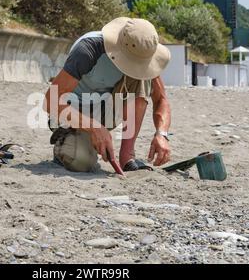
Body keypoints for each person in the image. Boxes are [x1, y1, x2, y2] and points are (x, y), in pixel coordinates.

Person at [44, 17, 172, 173]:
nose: (137, 65)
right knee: (81, 162)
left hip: (105, 111)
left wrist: (162, 134)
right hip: (69, 113)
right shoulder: (89, 49)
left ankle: (127, 156)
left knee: (142, 78)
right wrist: (94, 127)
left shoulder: (143, 56)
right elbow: (51, 100)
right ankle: (65, 142)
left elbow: (161, 99)